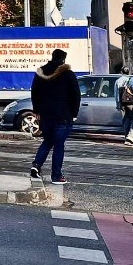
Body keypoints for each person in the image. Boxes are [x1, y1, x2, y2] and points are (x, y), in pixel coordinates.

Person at [29, 49, 81, 185]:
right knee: (58, 145)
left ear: (52, 57)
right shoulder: (68, 74)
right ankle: (56, 176)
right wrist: (74, 113)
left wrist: (36, 110)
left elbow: (34, 92)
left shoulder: (40, 73)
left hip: (46, 115)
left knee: (47, 141)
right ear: (64, 60)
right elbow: (76, 95)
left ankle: (36, 166)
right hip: (63, 115)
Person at [115, 67, 133, 146]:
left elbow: (116, 95)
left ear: (121, 72)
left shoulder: (118, 81)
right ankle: (131, 135)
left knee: (126, 120)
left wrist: (118, 105)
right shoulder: (131, 80)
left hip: (122, 103)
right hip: (131, 103)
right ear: (129, 72)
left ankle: (127, 138)